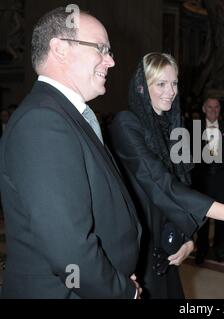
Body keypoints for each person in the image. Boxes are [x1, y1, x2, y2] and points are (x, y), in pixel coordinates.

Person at [108, 53, 224, 298]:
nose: (170, 91)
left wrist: (187, 239)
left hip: (168, 246)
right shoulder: (126, 124)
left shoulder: (171, 128)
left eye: (174, 83)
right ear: (141, 87)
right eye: (161, 84)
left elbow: (181, 183)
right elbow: (160, 183)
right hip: (140, 247)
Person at [0, 7, 143, 298]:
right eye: (102, 49)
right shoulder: (42, 123)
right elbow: (68, 252)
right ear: (60, 49)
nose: (111, 61)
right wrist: (123, 292)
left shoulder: (64, 116)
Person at [192, 97, 224, 264]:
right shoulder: (194, 129)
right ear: (203, 108)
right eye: (209, 107)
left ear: (219, 109)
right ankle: (201, 249)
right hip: (203, 180)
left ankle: (219, 248)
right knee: (203, 218)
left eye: (216, 108)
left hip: (222, 180)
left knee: (223, 218)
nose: (213, 110)